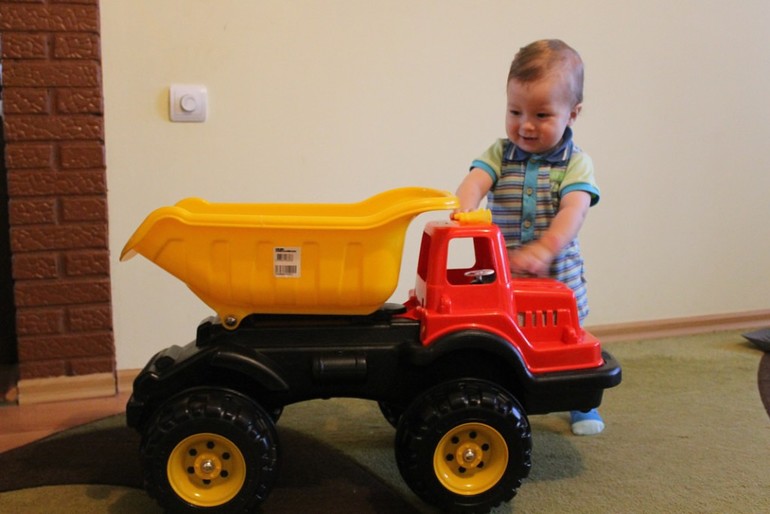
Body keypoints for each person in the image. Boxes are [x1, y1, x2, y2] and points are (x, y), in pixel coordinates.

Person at [455, 39, 604, 435]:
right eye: (515, 111)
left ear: (572, 114)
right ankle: (509, 392)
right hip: (504, 274)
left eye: (541, 114)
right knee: (506, 337)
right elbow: (475, 181)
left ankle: (582, 402)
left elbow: (574, 210)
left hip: (558, 275)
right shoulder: (499, 153)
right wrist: (464, 209)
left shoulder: (576, 164)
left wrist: (545, 247)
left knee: (567, 340)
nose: (525, 125)